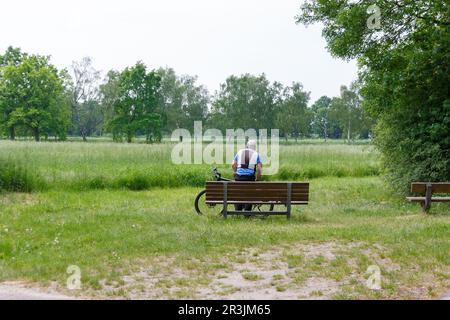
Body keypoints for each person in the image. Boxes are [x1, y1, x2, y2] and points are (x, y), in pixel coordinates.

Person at [231, 139, 262, 211]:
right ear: (255, 147)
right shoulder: (256, 154)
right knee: (250, 194)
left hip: (238, 178)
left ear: (247, 146)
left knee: (238, 193)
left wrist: (236, 172)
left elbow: (233, 165)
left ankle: (238, 211)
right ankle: (247, 212)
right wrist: (257, 179)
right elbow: (259, 170)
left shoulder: (239, 152)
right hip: (249, 179)